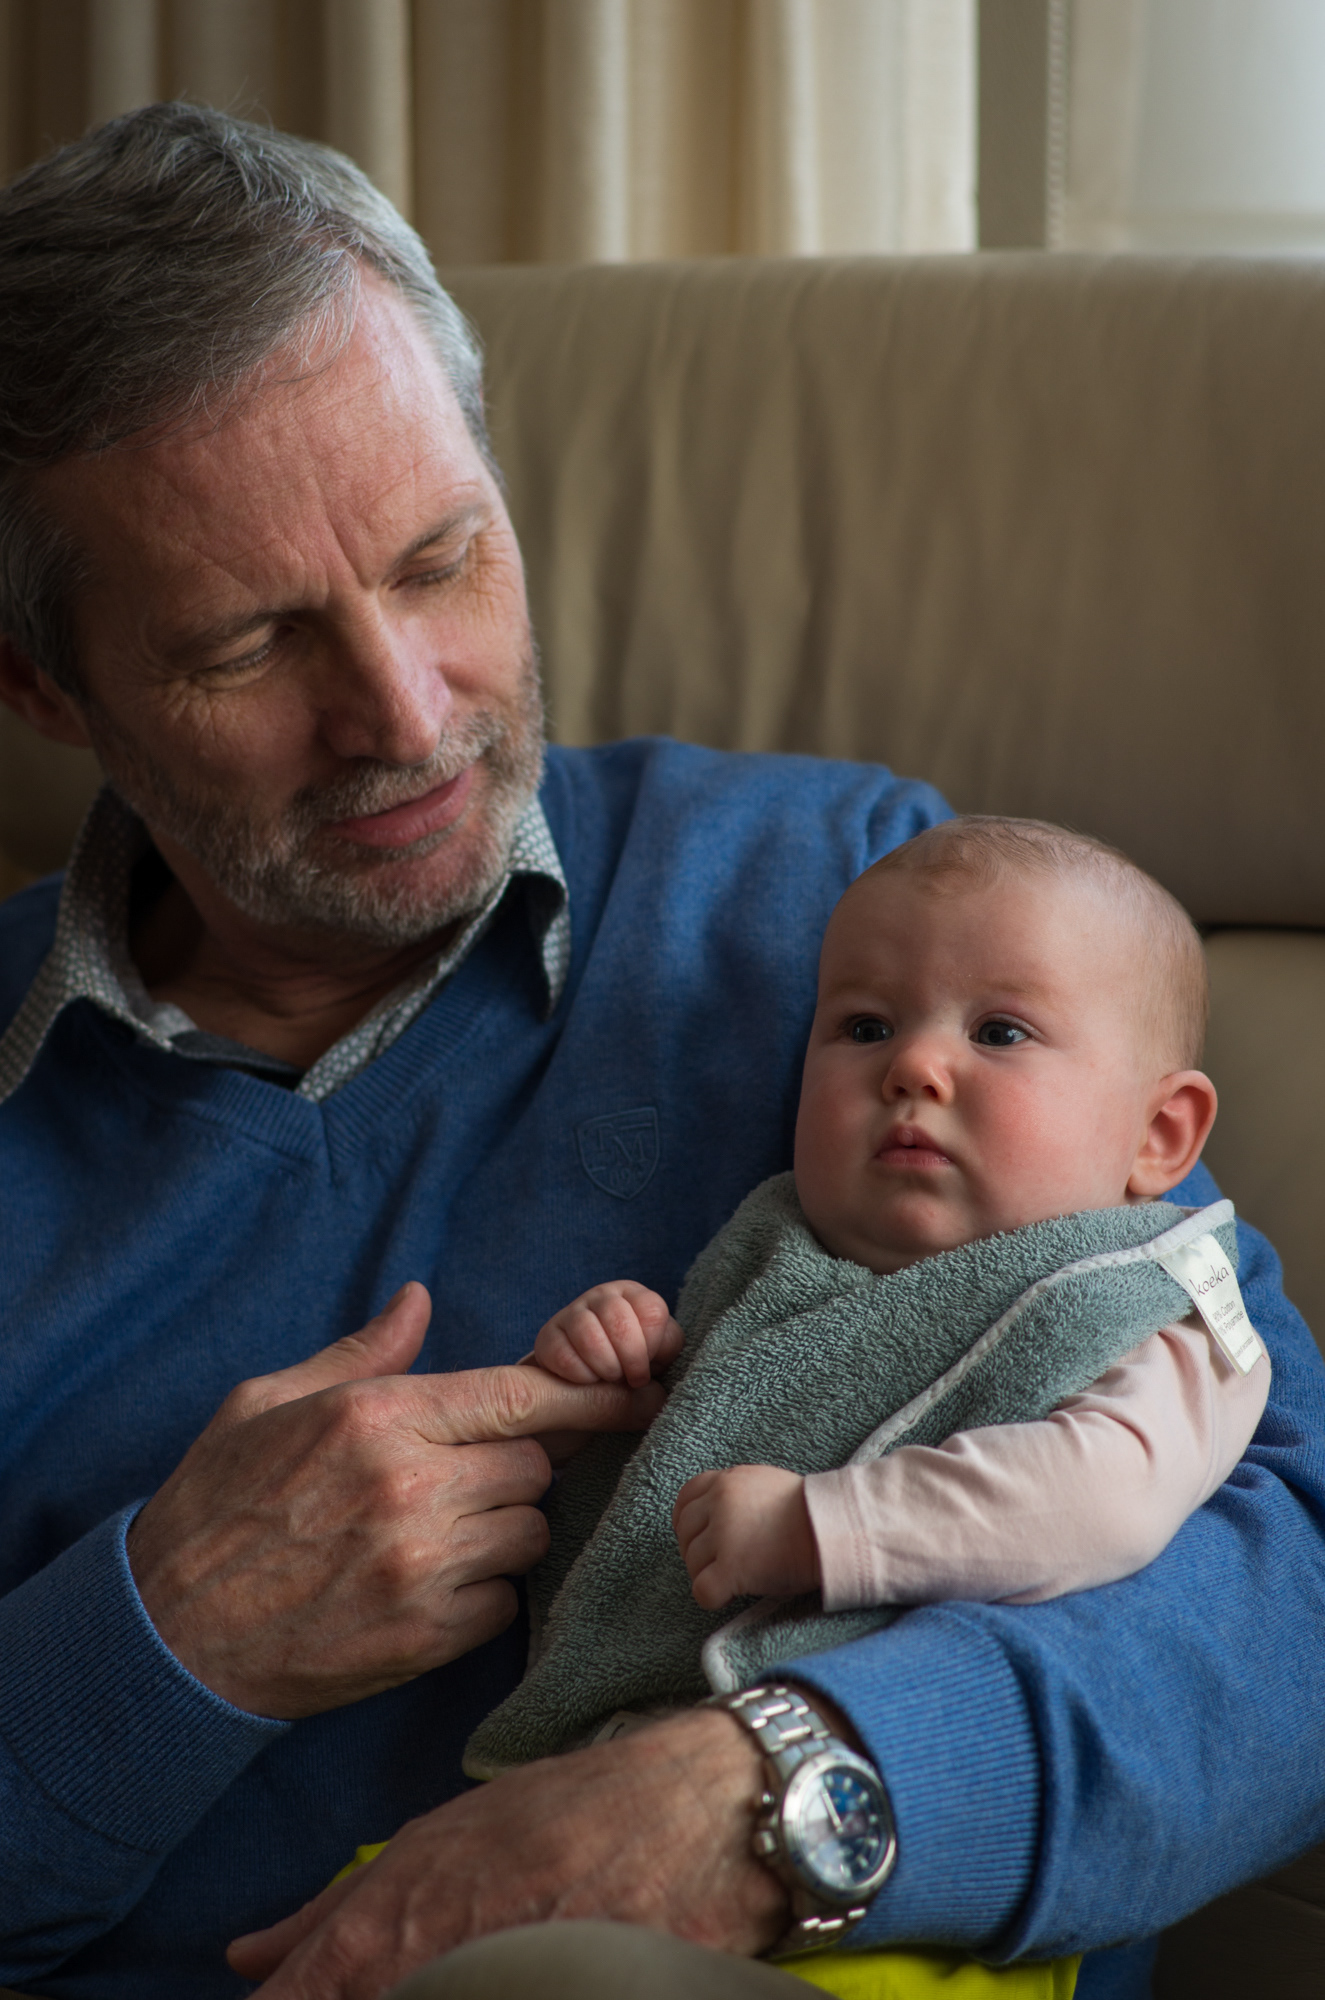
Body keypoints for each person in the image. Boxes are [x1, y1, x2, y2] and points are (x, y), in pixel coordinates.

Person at [0, 103, 1320, 2000]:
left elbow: (1294, 1565)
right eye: (247, 647)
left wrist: (795, 1792)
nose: (404, 713)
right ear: (43, 685)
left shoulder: (864, 916)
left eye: (442, 558)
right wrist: (157, 1646)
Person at [525, 820, 1267, 1654]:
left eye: (998, 1032)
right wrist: (595, 1382)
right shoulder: (773, 1254)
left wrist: (820, 1528)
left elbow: (1104, 1499)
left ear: (1157, 1135)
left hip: (871, 1710)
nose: (911, 1065)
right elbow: (652, 1469)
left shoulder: (1142, 1306)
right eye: (866, 1028)